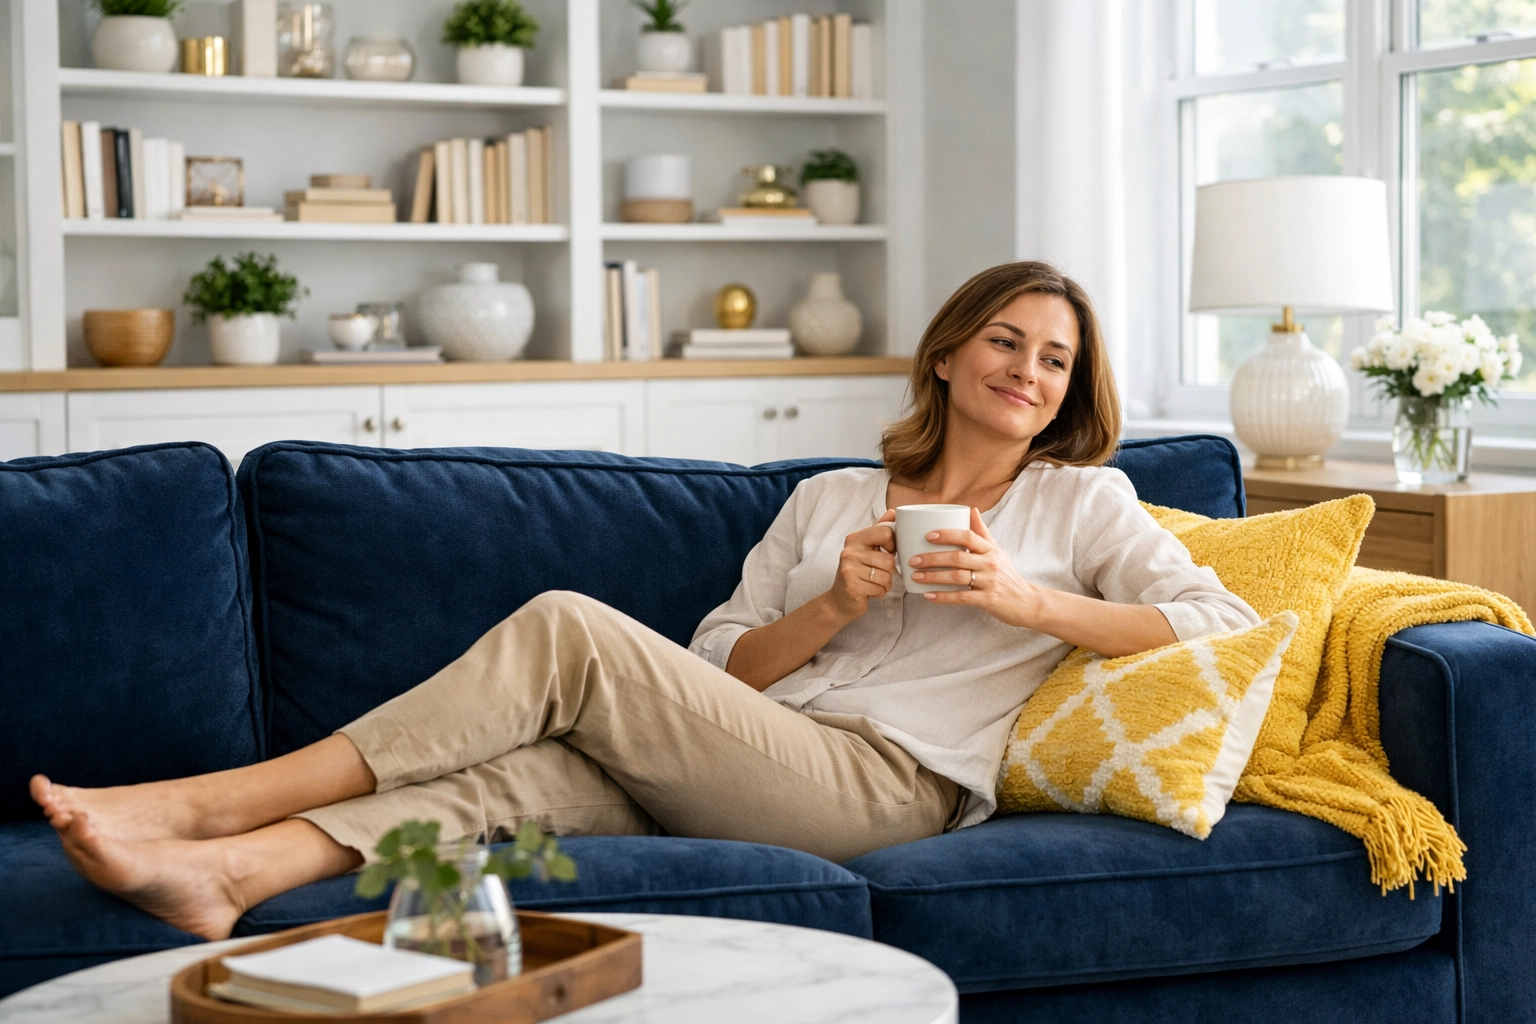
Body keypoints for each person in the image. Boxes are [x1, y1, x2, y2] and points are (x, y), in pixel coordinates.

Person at [30, 261, 1257, 941]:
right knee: (516, 781)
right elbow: (720, 667)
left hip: (893, 789)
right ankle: (229, 875)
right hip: (769, 750)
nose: (1028, 372)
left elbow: (1221, 626)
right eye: (1005, 340)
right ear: (945, 353)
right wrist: (831, 606)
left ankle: (197, 804)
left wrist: (1027, 604)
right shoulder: (831, 497)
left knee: (569, 629)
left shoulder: (1086, 505)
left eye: (1055, 358)